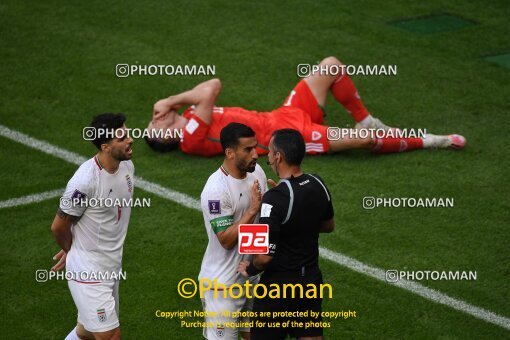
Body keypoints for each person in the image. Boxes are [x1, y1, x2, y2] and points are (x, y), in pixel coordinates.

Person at [145, 56, 466, 156]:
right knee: (364, 142)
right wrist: (169, 100)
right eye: (154, 122)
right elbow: (212, 87)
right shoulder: (189, 137)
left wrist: (172, 103)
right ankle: (432, 140)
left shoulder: (189, 117)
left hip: (280, 115)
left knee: (330, 65)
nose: (155, 116)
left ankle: (364, 118)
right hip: (285, 137)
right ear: (164, 136)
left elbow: (206, 87)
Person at [237, 129, 334, 340]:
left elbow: (263, 258)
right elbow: (328, 226)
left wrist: (250, 268)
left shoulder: (276, 197)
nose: (268, 157)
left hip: (279, 287)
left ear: (278, 156)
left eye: (270, 152)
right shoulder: (318, 183)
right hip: (311, 281)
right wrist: (292, 219)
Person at [50, 113, 134, 340]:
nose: (130, 140)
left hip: (111, 266)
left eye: (127, 134)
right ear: (106, 147)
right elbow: (59, 226)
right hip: (88, 271)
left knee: (86, 331)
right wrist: (71, 249)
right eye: (122, 137)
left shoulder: (127, 166)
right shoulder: (84, 182)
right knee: (109, 335)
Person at [198, 122, 268, 339]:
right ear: (229, 153)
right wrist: (252, 210)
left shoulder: (257, 172)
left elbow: (258, 226)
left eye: (255, 147)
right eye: (248, 150)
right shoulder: (216, 190)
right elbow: (226, 240)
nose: (255, 155)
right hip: (222, 286)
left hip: (249, 276)